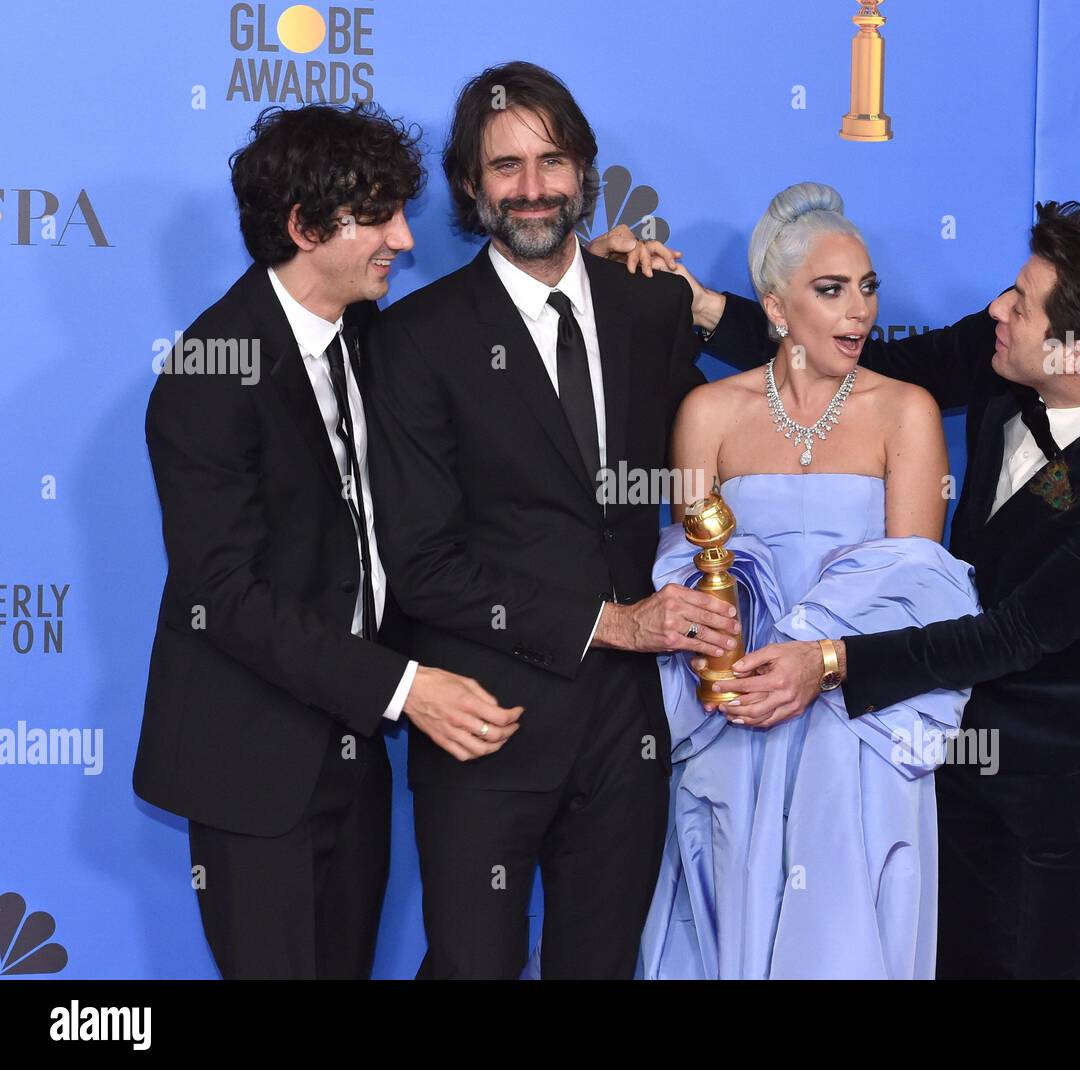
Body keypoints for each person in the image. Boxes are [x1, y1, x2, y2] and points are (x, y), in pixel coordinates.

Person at [657, 199, 1080, 979]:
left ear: (1072, 352)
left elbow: (1013, 634)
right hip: (931, 727)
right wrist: (707, 307)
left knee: (1037, 960)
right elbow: (849, 360)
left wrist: (828, 660)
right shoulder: (1003, 355)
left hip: (1058, 765)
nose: (996, 308)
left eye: (1020, 303)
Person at [364, 61, 735, 980]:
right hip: (486, 719)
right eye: (505, 167)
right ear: (468, 185)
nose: (532, 189)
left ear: (585, 172)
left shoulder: (650, 305)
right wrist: (616, 623)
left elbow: (791, 373)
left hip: (628, 730)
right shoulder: (414, 339)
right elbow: (423, 563)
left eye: (553, 161)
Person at [133, 102, 520, 980]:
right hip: (253, 766)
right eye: (379, 218)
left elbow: (489, 332)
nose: (405, 241)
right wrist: (407, 688)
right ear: (305, 227)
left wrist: (605, 271)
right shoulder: (208, 373)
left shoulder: (370, 337)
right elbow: (222, 595)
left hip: (355, 754)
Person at [637, 183, 980, 979]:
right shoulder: (708, 415)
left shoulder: (908, 412)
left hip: (854, 726)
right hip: (737, 725)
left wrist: (810, 663)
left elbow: (913, 590)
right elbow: (694, 580)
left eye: (866, 288)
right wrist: (725, 664)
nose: (857, 311)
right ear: (777, 308)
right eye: (831, 290)